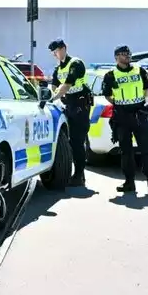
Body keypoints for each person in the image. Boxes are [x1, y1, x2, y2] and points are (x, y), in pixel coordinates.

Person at [100, 45, 148, 197]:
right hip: (122, 115)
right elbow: (107, 94)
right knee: (126, 152)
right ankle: (129, 183)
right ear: (116, 57)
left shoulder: (139, 70)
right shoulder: (110, 75)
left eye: (128, 54)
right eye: (123, 54)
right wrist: (120, 103)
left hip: (139, 113)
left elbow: (146, 87)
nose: (127, 56)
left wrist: (139, 101)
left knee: (147, 149)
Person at [47, 39, 91, 187]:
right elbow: (54, 85)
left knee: (78, 142)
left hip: (80, 105)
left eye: (57, 51)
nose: (55, 55)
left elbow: (66, 85)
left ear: (64, 48)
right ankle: (77, 174)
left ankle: (79, 175)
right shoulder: (58, 69)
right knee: (70, 142)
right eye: (53, 53)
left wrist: (53, 98)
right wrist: (52, 95)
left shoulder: (76, 64)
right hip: (68, 106)